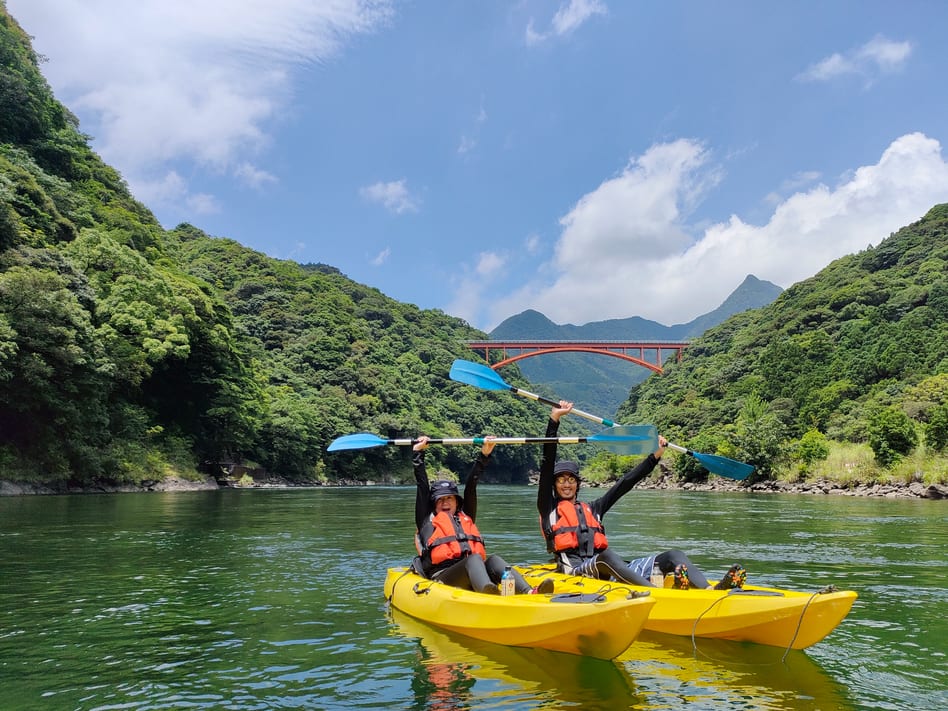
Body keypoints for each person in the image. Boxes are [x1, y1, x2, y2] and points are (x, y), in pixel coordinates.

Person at [536, 401, 747, 591]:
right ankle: (657, 594)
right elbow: (546, 465)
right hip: (576, 575)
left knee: (674, 556)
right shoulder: (548, 507)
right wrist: (554, 420)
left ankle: (709, 591)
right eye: (561, 480)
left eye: (571, 479)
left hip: (608, 572)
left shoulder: (594, 508)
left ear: (577, 484)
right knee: (607, 557)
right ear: (554, 485)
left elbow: (626, 483)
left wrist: (655, 456)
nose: (566, 484)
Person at [413, 435, 554, 595]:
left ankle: (529, 592)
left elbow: (471, 486)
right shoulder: (426, 521)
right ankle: (487, 593)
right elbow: (422, 486)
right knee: (473, 560)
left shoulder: (465, 516)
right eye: (440, 500)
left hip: (472, 571)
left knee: (493, 560)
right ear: (433, 503)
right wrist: (418, 455)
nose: (445, 503)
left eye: (449, 498)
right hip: (443, 577)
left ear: (457, 501)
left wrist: (484, 455)